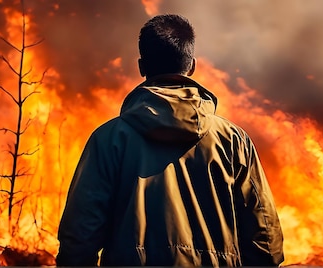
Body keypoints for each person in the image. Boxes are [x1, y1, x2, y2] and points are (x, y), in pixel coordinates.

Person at [56, 14, 284, 267]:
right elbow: (265, 234)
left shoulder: (109, 139)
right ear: (193, 66)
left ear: (142, 67)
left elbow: (80, 236)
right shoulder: (233, 141)